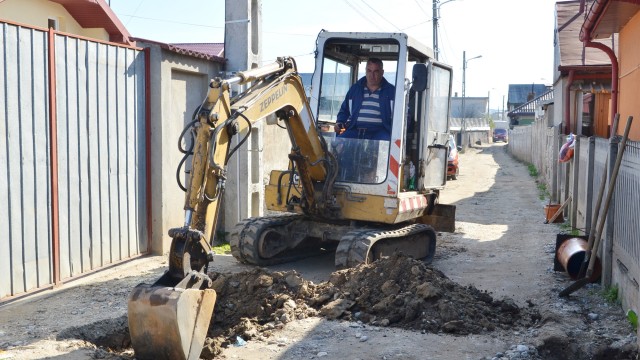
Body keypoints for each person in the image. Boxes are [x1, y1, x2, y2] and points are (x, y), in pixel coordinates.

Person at [334, 58, 395, 141]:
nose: (372, 75)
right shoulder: (355, 89)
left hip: (380, 131)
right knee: (337, 143)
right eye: (369, 71)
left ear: (382, 72)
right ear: (365, 71)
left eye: (376, 71)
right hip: (355, 130)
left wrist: (395, 130)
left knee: (386, 145)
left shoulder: (392, 92)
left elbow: (404, 115)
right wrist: (339, 122)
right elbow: (344, 110)